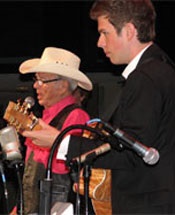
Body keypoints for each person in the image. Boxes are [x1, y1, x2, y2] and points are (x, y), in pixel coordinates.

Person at [21, 0, 175, 214]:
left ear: (129, 31)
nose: (100, 43)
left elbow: (131, 153)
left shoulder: (146, 78)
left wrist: (59, 141)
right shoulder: (160, 69)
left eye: (105, 33)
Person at [18, 47, 93, 214]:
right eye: (36, 79)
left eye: (43, 80)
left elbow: (66, 169)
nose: (35, 85)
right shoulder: (45, 118)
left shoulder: (77, 117)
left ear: (63, 86)